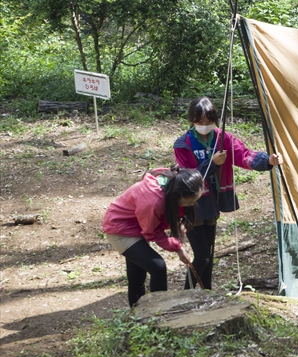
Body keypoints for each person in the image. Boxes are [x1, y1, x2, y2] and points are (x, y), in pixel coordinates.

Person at [173, 96, 283, 290]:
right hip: (193, 204)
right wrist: (212, 163)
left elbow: (244, 155)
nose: (205, 126)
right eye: (200, 122)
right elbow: (189, 178)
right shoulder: (183, 144)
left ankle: (207, 291)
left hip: (213, 201)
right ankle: (186, 292)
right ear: (192, 121)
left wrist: (268, 161)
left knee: (210, 252)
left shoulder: (223, 138)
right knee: (202, 256)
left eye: (209, 122)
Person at [102, 166, 203, 307]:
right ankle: (160, 310)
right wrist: (178, 247)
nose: (191, 205)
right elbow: (151, 232)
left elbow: (169, 212)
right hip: (120, 229)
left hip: (137, 224)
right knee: (157, 267)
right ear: (177, 193)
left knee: (137, 273)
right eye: (188, 202)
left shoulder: (172, 182)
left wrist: (178, 223)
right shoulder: (153, 202)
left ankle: (137, 312)